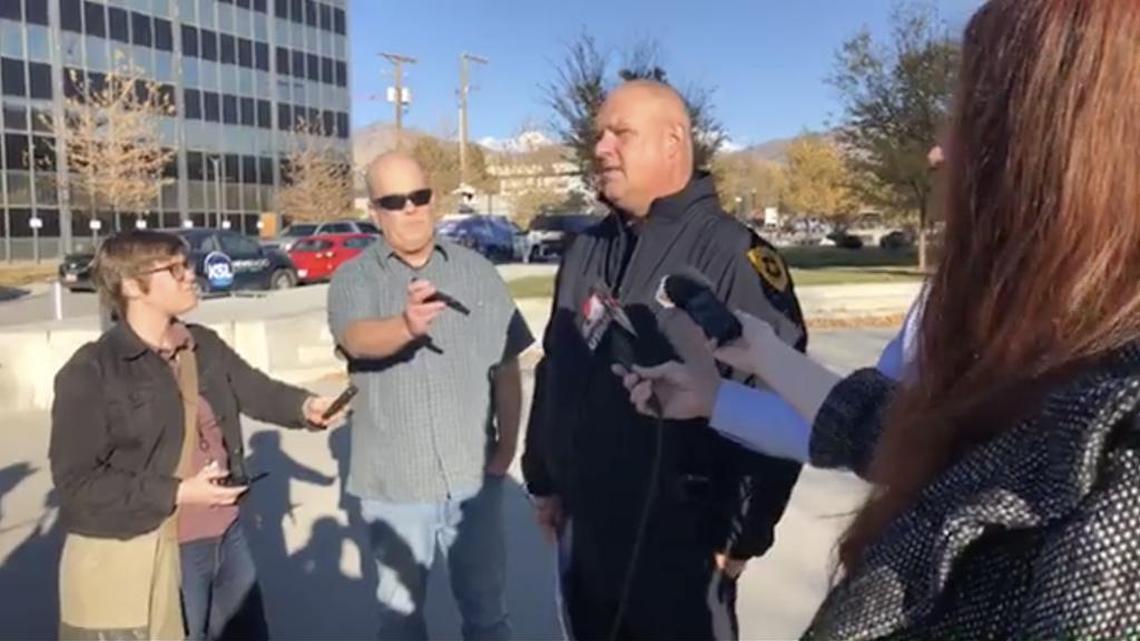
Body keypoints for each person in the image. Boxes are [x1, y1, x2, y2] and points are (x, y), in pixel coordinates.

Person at [620, 1, 1140, 637]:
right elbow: (894, 432)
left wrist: (743, 533)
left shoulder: (1122, 455)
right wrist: (729, 386)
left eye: (977, 111)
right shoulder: (978, 307)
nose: (937, 150)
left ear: (1075, 148)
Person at [521, 79, 806, 640]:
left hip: (683, 553)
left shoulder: (734, 256)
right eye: (598, 135)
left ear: (673, 140)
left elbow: (781, 400)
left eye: (620, 134)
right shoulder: (587, 249)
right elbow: (557, 368)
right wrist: (545, 479)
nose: (600, 148)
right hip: (589, 537)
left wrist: (742, 538)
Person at [50, 230, 344, 640]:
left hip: (228, 536)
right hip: (162, 548)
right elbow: (77, 483)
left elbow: (256, 390)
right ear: (134, 286)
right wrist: (178, 492)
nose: (192, 274)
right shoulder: (92, 371)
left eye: (187, 264)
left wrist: (306, 406)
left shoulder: (201, 345)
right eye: (175, 268)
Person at [328, 152, 533, 641]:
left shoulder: (477, 271)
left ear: (433, 199)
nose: (411, 209)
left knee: (487, 616)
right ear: (375, 211)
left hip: (472, 480)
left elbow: (507, 362)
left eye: (419, 196)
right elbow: (355, 338)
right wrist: (405, 326)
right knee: (400, 620)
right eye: (395, 201)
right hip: (395, 487)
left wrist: (507, 447)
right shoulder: (354, 278)